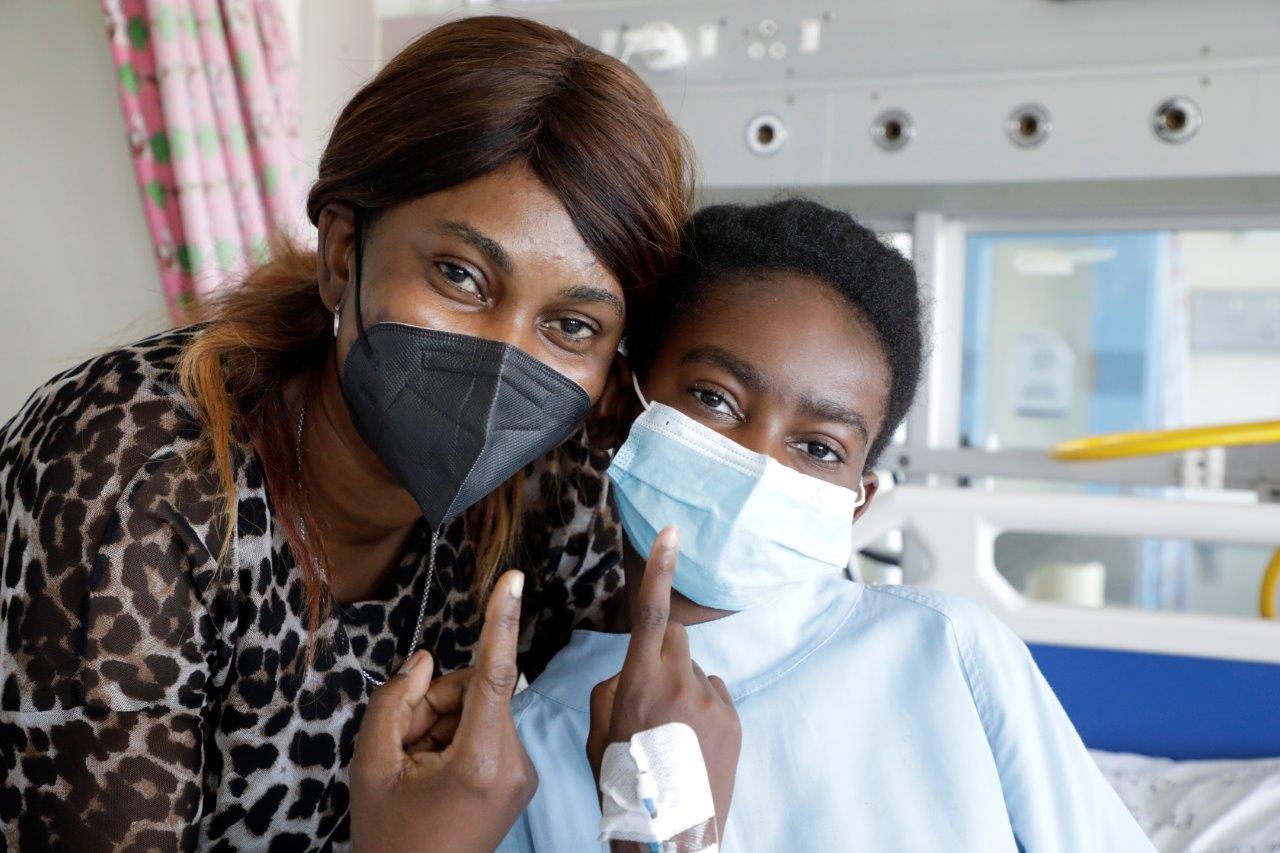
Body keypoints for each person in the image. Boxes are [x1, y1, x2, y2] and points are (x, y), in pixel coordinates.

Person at [0, 16, 743, 851]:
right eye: (460, 276)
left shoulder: (553, 492)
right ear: (342, 252)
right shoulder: (137, 477)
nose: (502, 360)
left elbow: (664, 699)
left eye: (571, 326)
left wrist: (671, 805)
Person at [498, 200, 1155, 851]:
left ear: (856, 503)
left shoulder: (948, 651)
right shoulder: (525, 749)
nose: (757, 461)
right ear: (617, 405)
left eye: (817, 447)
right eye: (715, 399)